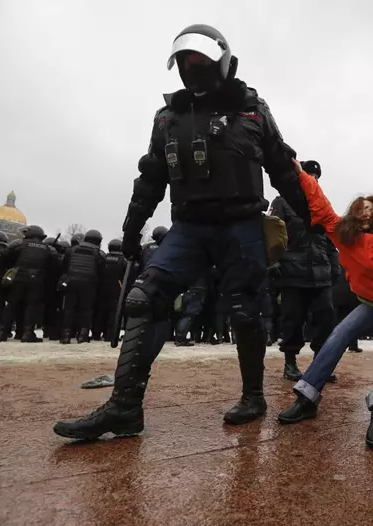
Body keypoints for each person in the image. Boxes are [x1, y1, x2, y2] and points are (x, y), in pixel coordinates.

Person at [53, 24, 312, 440]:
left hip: (241, 224)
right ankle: (124, 407)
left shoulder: (253, 110)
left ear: (223, 63)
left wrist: (311, 219)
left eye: (201, 61)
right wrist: (132, 230)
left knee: (244, 308)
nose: (193, 70)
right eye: (186, 64)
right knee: (143, 298)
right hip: (189, 226)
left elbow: (283, 167)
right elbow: (151, 177)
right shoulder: (168, 117)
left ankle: (253, 396)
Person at [277, 160, 373, 449]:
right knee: (338, 334)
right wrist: (302, 175)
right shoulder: (344, 236)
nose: (365, 213)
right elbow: (321, 207)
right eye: (359, 209)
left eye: (370, 209)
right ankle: (306, 399)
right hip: (370, 302)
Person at [269, 160, 339, 381]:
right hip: (292, 271)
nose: (314, 180)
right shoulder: (282, 201)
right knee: (292, 319)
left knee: (325, 317)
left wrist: (335, 265)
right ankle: (290, 363)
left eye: (316, 177)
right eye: (310, 175)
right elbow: (271, 233)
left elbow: (330, 239)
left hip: (320, 272)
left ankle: (321, 363)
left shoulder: (321, 204)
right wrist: (274, 262)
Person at [0, 225, 59, 343]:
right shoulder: (48, 249)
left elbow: (6, 258)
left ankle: (2, 333)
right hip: (37, 280)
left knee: (11, 305)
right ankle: (28, 333)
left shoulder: (19, 245)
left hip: (18, 278)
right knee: (31, 306)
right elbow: (54, 266)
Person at [61, 229, 105, 344]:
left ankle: (66, 335)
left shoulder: (71, 250)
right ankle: (83, 335)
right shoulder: (98, 253)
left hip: (71, 282)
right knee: (86, 310)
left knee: (69, 309)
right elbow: (101, 272)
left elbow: (64, 267)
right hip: (89, 285)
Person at [94, 239, 129, 343]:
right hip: (117, 289)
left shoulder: (103, 258)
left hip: (102, 289)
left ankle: (96, 334)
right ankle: (109, 335)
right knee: (113, 313)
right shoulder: (124, 261)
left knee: (100, 312)